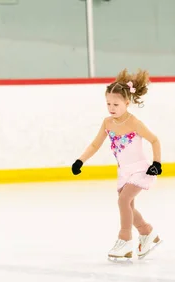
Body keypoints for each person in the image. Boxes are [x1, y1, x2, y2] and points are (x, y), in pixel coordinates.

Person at [71, 69, 162, 261]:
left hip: (140, 169)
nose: (111, 108)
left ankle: (125, 240)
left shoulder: (134, 123)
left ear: (127, 103)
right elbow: (95, 144)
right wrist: (80, 161)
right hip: (124, 172)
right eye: (108, 104)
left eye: (116, 104)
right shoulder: (107, 123)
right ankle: (147, 232)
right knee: (127, 204)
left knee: (123, 201)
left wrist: (157, 163)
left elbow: (154, 140)